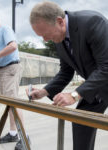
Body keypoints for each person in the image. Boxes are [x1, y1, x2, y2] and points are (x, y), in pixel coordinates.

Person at [28, 1, 108, 150]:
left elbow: (106, 67)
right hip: (96, 86)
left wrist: (75, 95)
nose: (45, 40)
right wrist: (43, 91)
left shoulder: (92, 22)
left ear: (59, 21)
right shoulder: (59, 36)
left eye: (46, 34)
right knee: (81, 122)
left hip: (103, 77)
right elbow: (66, 71)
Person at [0, 11, 26, 150]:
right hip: (3, 70)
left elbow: (13, 46)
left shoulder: (5, 29)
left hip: (11, 68)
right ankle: (13, 133)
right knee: (9, 103)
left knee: (13, 102)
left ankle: (23, 137)